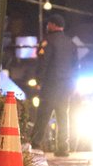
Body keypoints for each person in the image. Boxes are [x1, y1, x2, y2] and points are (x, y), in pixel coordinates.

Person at [29, 12, 78, 156]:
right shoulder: (71, 43)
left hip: (51, 86)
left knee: (43, 115)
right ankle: (63, 147)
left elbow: (43, 63)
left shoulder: (47, 42)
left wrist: (38, 81)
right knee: (63, 116)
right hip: (66, 87)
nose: (47, 26)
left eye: (48, 24)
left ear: (53, 25)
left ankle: (36, 145)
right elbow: (76, 67)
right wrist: (72, 85)